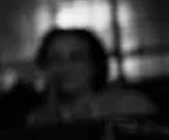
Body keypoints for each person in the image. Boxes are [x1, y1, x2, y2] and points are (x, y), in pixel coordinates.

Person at [26, 26, 156, 126]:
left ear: (95, 65)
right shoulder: (39, 119)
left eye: (76, 58)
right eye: (55, 59)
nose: (65, 67)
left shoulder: (130, 105)